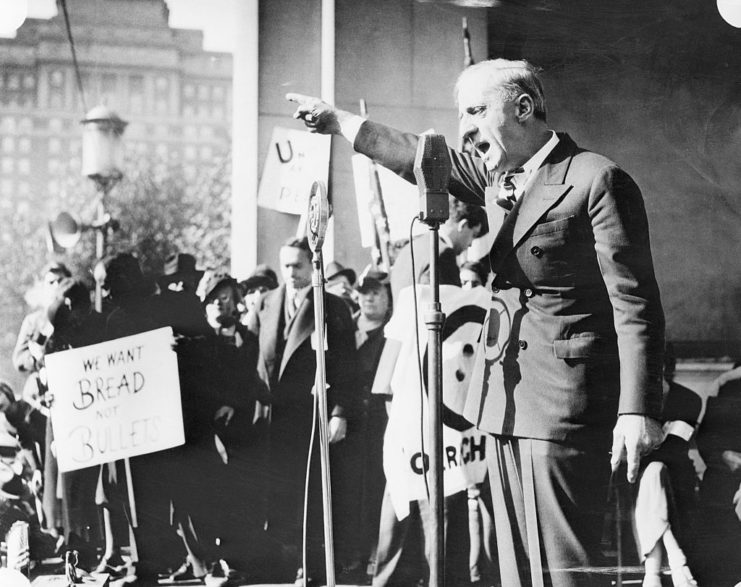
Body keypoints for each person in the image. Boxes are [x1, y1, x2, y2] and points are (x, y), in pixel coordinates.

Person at [287, 57, 665, 586]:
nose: (464, 128)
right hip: (502, 403)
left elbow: (636, 303)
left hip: (565, 406)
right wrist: (338, 121)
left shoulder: (594, 178)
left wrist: (637, 408)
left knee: (564, 568)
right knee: (512, 565)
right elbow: (416, 155)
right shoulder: (493, 177)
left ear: (523, 107)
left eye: (476, 112)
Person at [246, 236, 357, 586]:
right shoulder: (266, 303)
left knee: (309, 495)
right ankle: (281, 562)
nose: (290, 273)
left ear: (313, 266)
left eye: (297, 266)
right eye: (286, 265)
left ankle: (309, 569)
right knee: (275, 494)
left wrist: (339, 412)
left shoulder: (331, 306)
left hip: (308, 417)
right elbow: (251, 357)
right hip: (270, 416)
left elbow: (346, 367)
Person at [388, 197, 488, 303]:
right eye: (473, 235)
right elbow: (450, 309)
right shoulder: (443, 253)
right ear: (463, 225)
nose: (471, 244)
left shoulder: (408, 249)